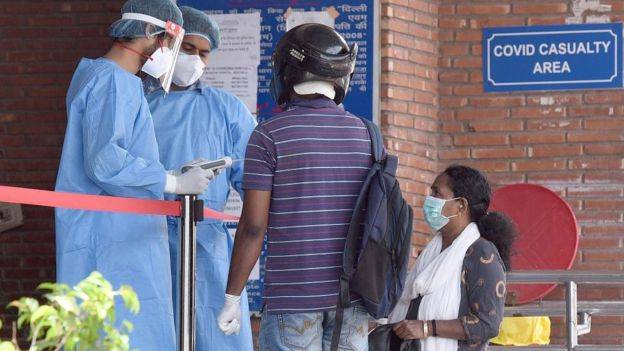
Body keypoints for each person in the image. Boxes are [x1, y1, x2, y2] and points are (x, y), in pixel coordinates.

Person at [55, 1, 214, 350]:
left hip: (115, 234)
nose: (169, 54)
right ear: (149, 33)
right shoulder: (112, 81)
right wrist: (170, 181)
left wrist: (170, 174)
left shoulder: (108, 78)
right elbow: (105, 161)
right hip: (112, 240)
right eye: (170, 44)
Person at [218, 23, 372, 350]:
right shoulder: (368, 136)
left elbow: (253, 227)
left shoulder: (269, 136)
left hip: (293, 299)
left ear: (289, 72)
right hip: (353, 300)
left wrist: (232, 296)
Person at [146, 6, 256, 351]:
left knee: (214, 336)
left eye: (204, 53)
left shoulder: (227, 110)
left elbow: (256, 183)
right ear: (168, 45)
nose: (196, 59)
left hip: (207, 246)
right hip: (145, 240)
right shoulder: (137, 103)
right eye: (188, 49)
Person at [387, 165, 517, 351]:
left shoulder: (481, 253)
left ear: (461, 205)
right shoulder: (434, 249)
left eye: (437, 193)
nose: (429, 199)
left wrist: (427, 328)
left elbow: (487, 324)